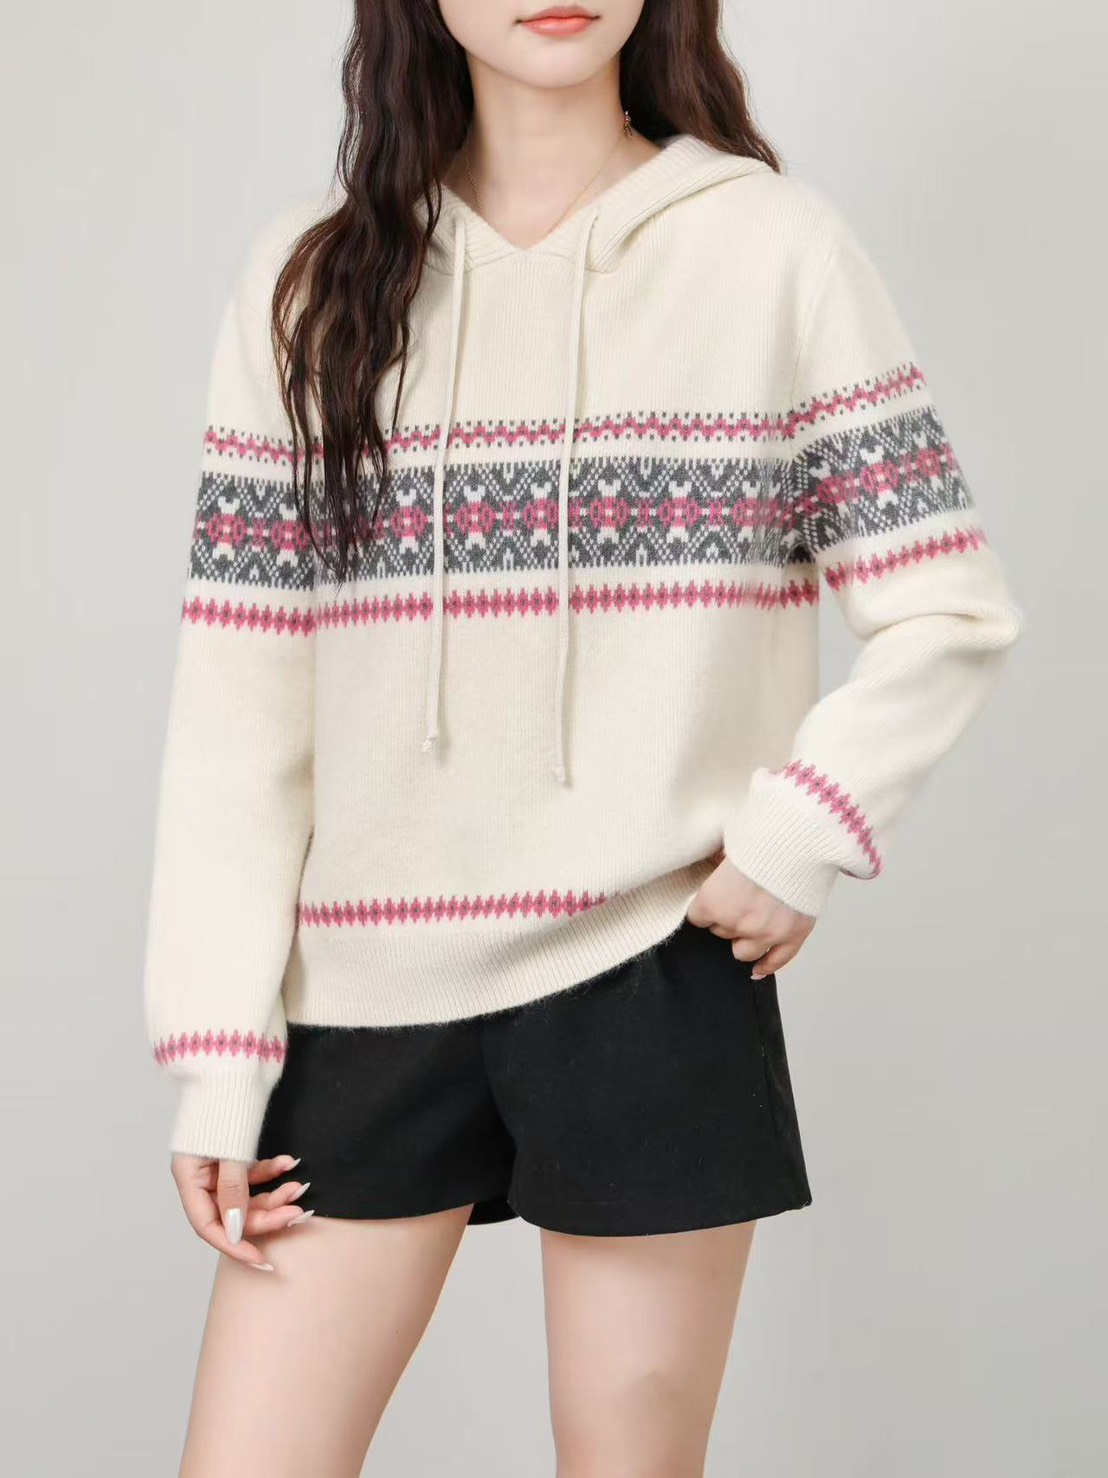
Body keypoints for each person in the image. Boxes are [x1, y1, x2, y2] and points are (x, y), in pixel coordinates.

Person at [142, 1, 1024, 1472]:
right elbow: (244, 699)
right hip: (364, 982)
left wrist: (802, 830)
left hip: (650, 966)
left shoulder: (772, 252)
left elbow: (950, 605)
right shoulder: (313, 279)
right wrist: (220, 1054)